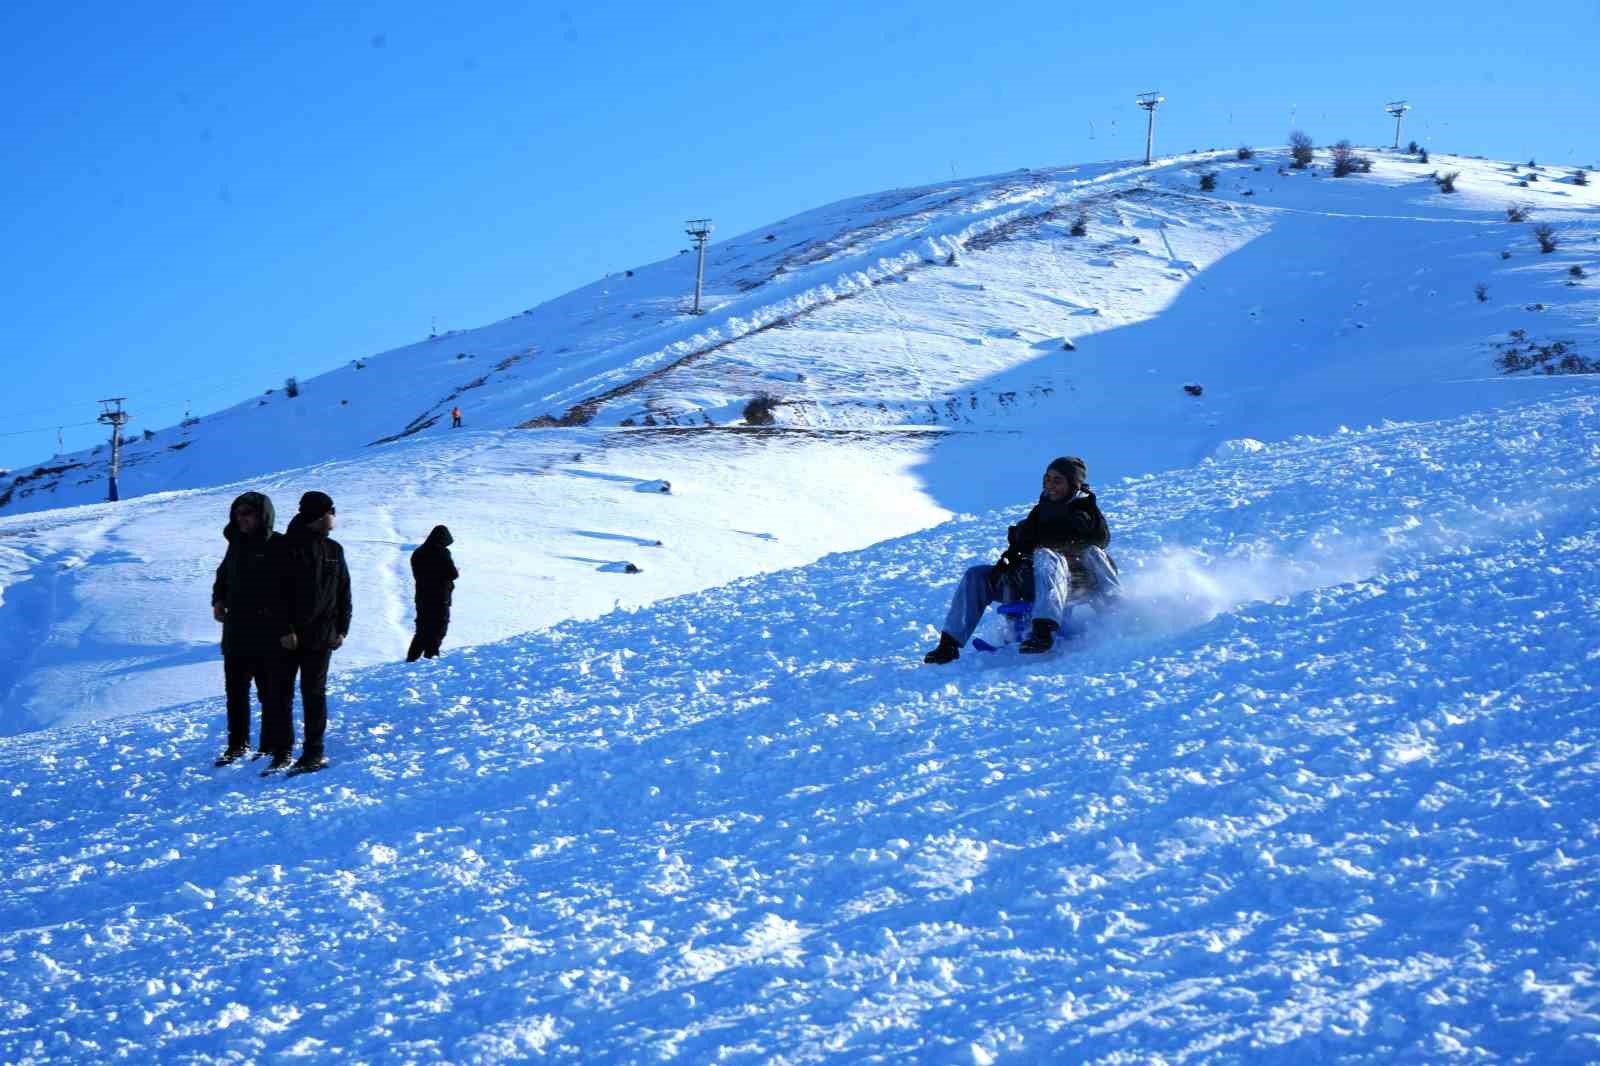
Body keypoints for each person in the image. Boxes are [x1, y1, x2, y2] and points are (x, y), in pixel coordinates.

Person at [923, 456, 1120, 664]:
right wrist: (1009, 557)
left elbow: (1100, 539)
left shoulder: (1084, 509)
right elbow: (1021, 545)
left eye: (1057, 480)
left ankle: (1043, 633)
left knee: (1046, 555)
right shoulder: (1041, 510)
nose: (1050, 485)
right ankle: (948, 645)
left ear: (1073, 484)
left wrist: (1059, 540)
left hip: (1073, 583)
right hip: (1035, 581)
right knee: (977, 575)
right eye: (1047, 478)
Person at [268, 490, 352, 774]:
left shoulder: (333, 550)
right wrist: (283, 629)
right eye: (332, 511)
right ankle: (281, 753)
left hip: (322, 636)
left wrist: (342, 629)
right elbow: (274, 593)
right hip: (287, 638)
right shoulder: (285, 546)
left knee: (314, 693)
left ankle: (313, 753)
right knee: (281, 695)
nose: (335, 516)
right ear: (320, 515)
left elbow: (344, 592)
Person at [210, 492, 286, 765]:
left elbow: (288, 590)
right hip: (236, 632)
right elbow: (222, 576)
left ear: (262, 515)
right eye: (238, 513)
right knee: (236, 692)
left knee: (269, 692)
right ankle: (237, 744)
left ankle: (268, 745)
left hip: (268, 633)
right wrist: (218, 601)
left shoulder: (279, 545)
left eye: (248, 513)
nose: (242, 519)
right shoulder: (235, 544)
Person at [407, 525, 458, 661]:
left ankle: (411, 660)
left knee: (422, 630)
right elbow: (452, 573)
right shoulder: (442, 552)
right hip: (440, 597)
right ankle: (431, 657)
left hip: (422, 597)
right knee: (439, 628)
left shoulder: (417, 553)